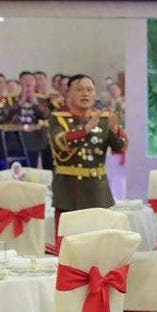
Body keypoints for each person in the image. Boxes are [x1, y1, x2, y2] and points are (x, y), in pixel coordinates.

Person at [48, 74, 126, 222]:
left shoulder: (103, 118)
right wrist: (85, 129)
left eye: (89, 90)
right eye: (80, 90)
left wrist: (116, 130)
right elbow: (61, 143)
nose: (85, 93)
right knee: (70, 241)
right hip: (69, 192)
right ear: (68, 93)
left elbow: (120, 148)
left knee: (99, 241)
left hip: (98, 190)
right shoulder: (58, 118)